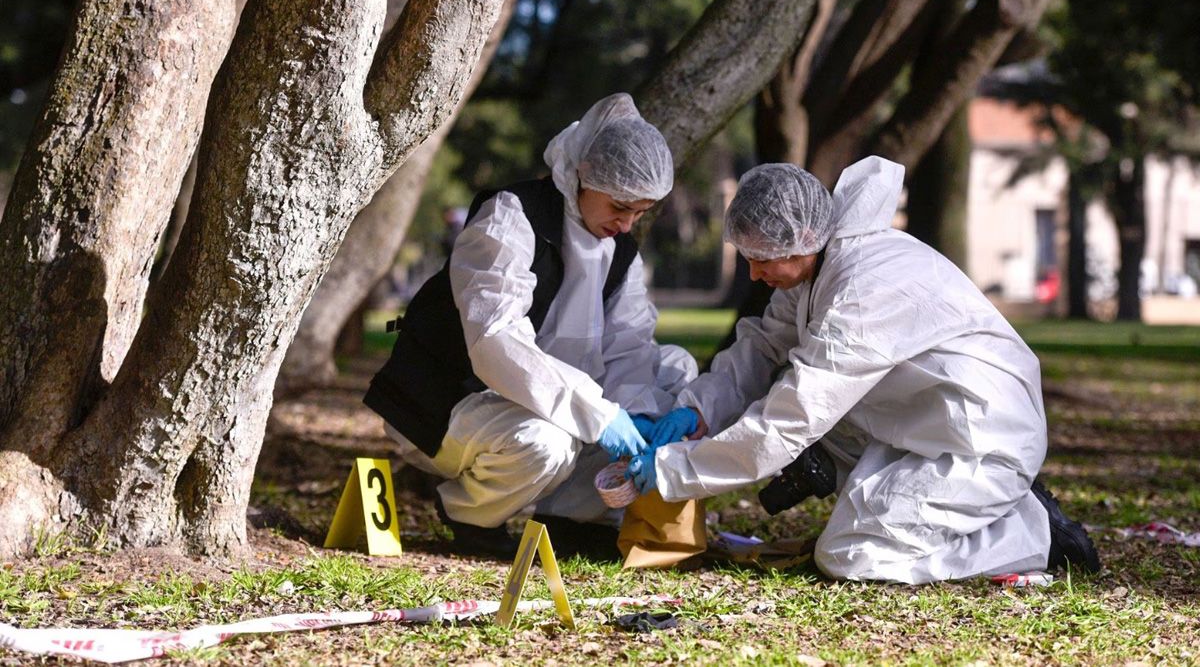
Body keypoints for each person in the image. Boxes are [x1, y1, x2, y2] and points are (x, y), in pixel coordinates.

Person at [628, 156, 1100, 584]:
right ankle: (957, 508)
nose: (753, 275)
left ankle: (1031, 533)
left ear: (799, 243)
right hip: (927, 426)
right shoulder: (820, 266)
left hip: (982, 441)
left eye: (759, 260)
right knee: (785, 399)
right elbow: (760, 347)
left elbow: (796, 415)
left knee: (851, 556)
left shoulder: (862, 288)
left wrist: (675, 469)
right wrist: (697, 411)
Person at [364, 93, 697, 557]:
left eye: (640, 212)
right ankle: (469, 513)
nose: (626, 224)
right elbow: (495, 342)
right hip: (451, 400)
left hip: (537, 403)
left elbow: (631, 346)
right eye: (620, 206)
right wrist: (600, 415)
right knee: (549, 442)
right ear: (583, 172)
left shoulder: (620, 252)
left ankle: (572, 519)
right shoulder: (510, 217)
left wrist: (636, 414)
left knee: (673, 371)